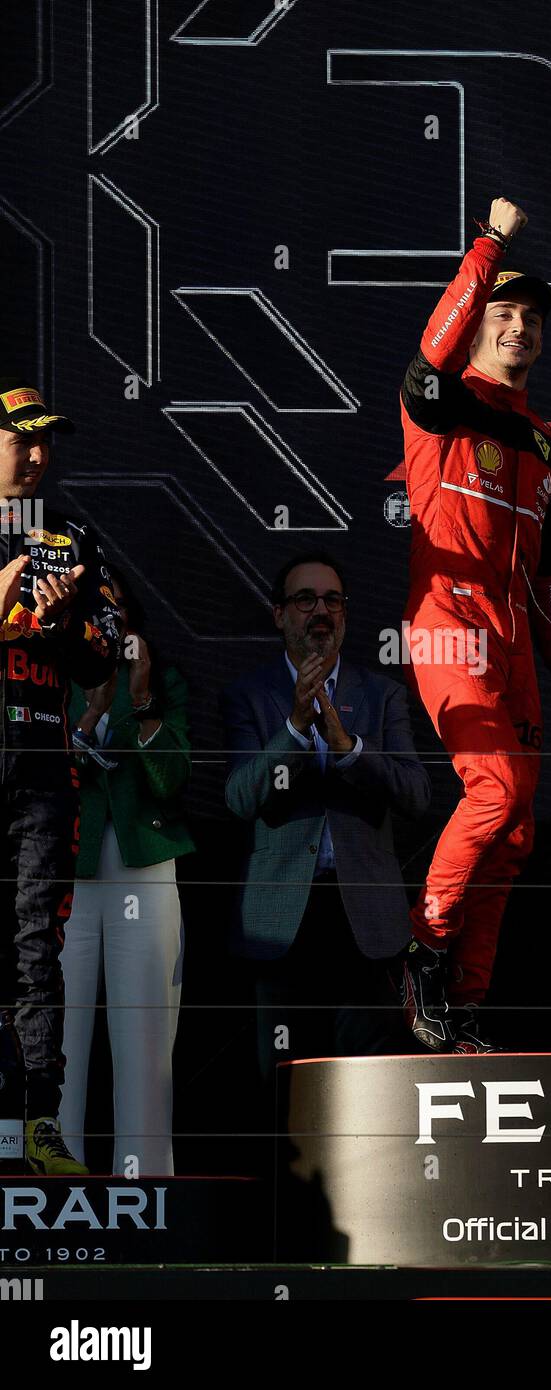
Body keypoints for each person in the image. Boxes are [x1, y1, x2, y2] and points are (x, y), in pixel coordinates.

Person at [399, 198, 551, 1053]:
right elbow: (433, 350)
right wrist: (489, 244)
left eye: (532, 319)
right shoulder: (438, 400)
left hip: (514, 644)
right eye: (504, 313)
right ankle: (426, 946)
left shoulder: (545, 444)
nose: (520, 328)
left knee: (514, 835)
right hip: (448, 620)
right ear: (477, 323)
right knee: (496, 790)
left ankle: (464, 1007)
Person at [219, 551, 431, 1092]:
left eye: (332, 600)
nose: (321, 611)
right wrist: (294, 727)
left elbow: (415, 795)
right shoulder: (250, 695)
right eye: (305, 599)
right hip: (281, 922)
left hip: (366, 921)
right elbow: (241, 797)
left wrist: (349, 748)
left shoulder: (382, 695)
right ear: (279, 614)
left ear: (345, 614)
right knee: (285, 1092)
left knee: (372, 1092)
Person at [0, 374, 122, 1172]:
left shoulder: (70, 539)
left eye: (46, 442)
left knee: (34, 948)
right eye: (23, 441)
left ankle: (39, 1125)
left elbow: (103, 658)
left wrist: (68, 619)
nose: (39, 456)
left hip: (42, 774)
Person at [58, 569, 193, 1175]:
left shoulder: (162, 681)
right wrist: (88, 720)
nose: (107, 630)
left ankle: (147, 1178)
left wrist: (141, 700)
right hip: (65, 866)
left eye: (117, 619)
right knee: (56, 1032)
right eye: (96, 617)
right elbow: (39, 772)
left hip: (145, 863)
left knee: (145, 1038)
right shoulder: (51, 676)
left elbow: (171, 780)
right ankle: (52, 1168)